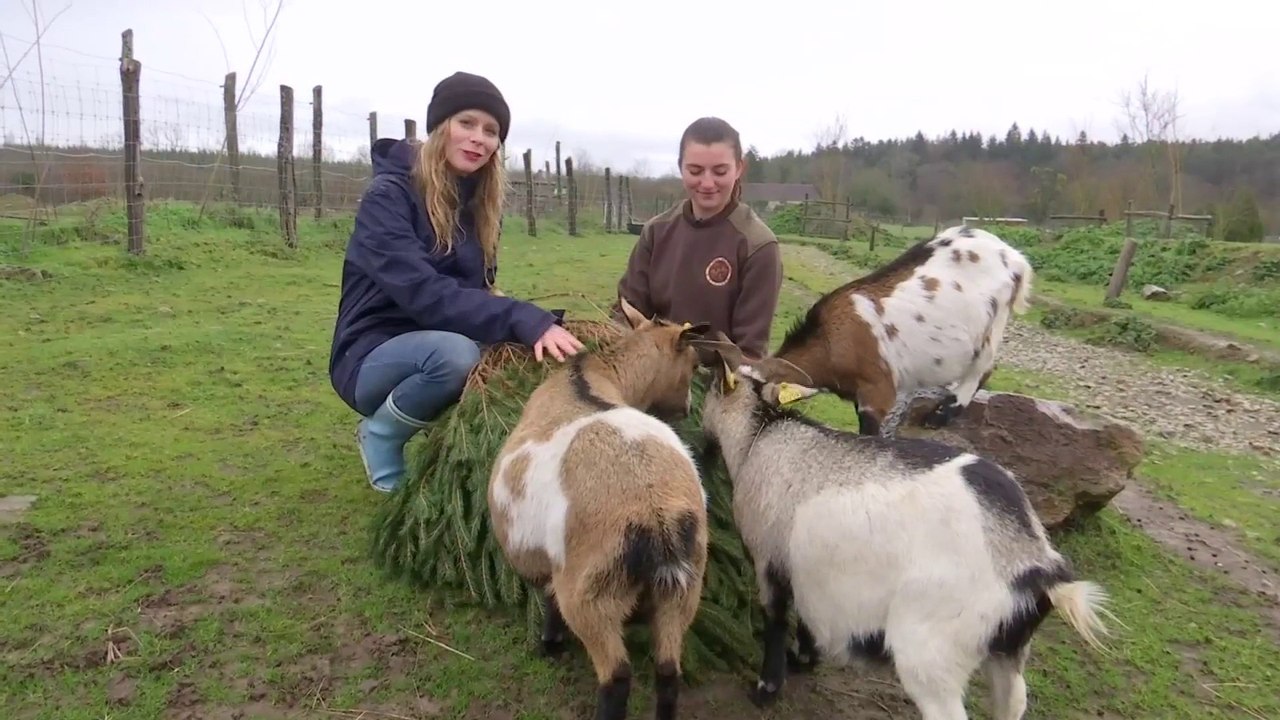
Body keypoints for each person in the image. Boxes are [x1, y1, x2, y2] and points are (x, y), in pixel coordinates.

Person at [329, 71, 583, 493]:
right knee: (455, 356)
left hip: (435, 339)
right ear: (440, 127)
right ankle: (380, 434)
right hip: (370, 352)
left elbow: (478, 292)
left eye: (491, 131)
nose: (478, 138)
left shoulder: (479, 207)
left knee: (505, 352)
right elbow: (425, 296)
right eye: (466, 123)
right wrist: (522, 316)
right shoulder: (387, 198)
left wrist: (525, 331)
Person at [613, 116, 783, 360]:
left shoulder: (758, 245)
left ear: (739, 168)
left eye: (720, 171)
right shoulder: (656, 231)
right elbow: (627, 312)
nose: (707, 183)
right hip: (653, 373)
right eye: (695, 171)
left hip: (717, 384)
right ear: (681, 167)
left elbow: (749, 352)